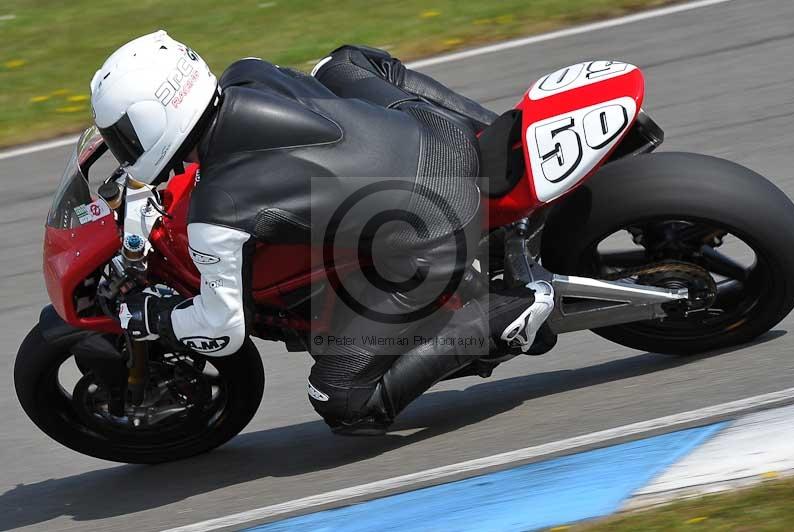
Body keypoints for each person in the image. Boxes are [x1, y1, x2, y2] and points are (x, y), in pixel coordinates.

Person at [91, 31, 554, 435]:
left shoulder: (217, 211)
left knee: (341, 399)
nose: (122, 149)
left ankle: (508, 315)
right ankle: (499, 136)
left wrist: (153, 316)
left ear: (156, 119)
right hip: (441, 133)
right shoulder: (247, 74)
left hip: (435, 230)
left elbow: (223, 330)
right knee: (343, 63)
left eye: (123, 137)